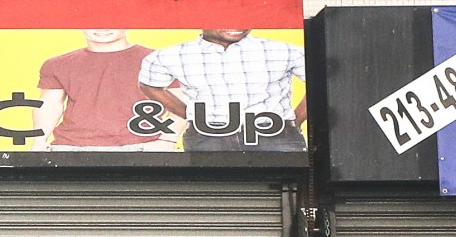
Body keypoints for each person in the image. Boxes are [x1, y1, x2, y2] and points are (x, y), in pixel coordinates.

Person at [136, 28, 309, 152]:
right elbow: (149, 84)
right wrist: (190, 114)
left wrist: (296, 119)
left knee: (290, 193)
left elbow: (320, 80)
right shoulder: (170, 55)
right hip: (208, 136)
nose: (236, 24)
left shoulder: (285, 51)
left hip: (274, 133)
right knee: (213, 195)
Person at [31, 28, 175, 151]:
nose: (102, 27)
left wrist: (167, 141)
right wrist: (38, 141)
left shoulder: (159, 61)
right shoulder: (57, 64)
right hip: (71, 148)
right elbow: (50, 104)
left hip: (141, 146)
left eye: (111, 20)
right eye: (93, 20)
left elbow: (180, 105)